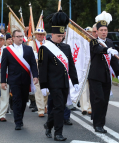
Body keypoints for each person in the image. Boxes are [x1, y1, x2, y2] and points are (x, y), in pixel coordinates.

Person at [39, 10, 79, 141]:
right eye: (58, 36)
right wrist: (43, 85)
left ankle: (48, 124)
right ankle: (58, 133)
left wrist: (75, 81)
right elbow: (42, 68)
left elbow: (71, 66)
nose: (61, 38)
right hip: (53, 83)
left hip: (64, 83)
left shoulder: (66, 47)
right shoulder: (45, 48)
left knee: (60, 107)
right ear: (52, 34)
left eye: (62, 36)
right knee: (59, 107)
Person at [88, 11, 119, 133]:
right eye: (101, 30)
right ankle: (97, 124)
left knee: (105, 101)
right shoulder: (93, 41)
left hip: (106, 77)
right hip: (95, 76)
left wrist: (118, 74)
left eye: (105, 30)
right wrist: (107, 50)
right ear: (96, 31)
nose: (103, 32)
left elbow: (113, 61)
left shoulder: (110, 42)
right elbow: (98, 50)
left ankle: (101, 123)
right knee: (99, 100)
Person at [1, 29, 38, 130]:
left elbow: (33, 64)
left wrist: (35, 76)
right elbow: (3, 67)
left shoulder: (28, 49)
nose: (21, 38)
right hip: (14, 79)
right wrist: (3, 81)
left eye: (21, 36)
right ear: (13, 38)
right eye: (18, 36)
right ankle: (17, 122)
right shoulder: (7, 50)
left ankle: (20, 117)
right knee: (17, 100)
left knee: (24, 100)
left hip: (26, 79)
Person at [28, 27, 49, 117]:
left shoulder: (48, 43)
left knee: (46, 89)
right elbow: (28, 55)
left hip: (47, 69)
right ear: (35, 35)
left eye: (41, 34)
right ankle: (40, 109)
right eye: (38, 34)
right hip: (35, 68)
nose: (40, 36)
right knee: (38, 90)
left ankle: (45, 105)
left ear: (44, 35)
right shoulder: (31, 43)